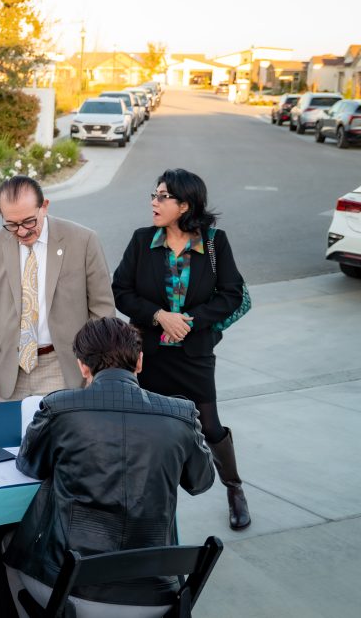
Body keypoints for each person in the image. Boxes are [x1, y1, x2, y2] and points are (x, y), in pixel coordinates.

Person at [4, 318, 214, 617]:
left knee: (10, 550)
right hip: (157, 597)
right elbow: (201, 481)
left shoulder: (61, 408)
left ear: (82, 366)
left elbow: (30, 464)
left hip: (73, 593)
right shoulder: (181, 414)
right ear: (139, 362)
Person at [112, 168, 250, 530]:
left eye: (162, 197)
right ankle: (142, 499)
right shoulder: (143, 240)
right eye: (153, 195)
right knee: (146, 427)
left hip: (194, 353)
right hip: (149, 353)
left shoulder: (215, 243)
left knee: (209, 425)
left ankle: (234, 488)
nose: (153, 203)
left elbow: (231, 294)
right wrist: (159, 315)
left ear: (185, 204)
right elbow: (121, 291)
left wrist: (189, 320)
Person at [0, 176, 114, 401]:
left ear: (44, 207)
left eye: (29, 221)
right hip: (10, 371)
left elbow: (102, 310)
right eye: (12, 224)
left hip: (64, 365)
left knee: (60, 435)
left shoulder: (83, 241)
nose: (22, 231)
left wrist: (98, 367)